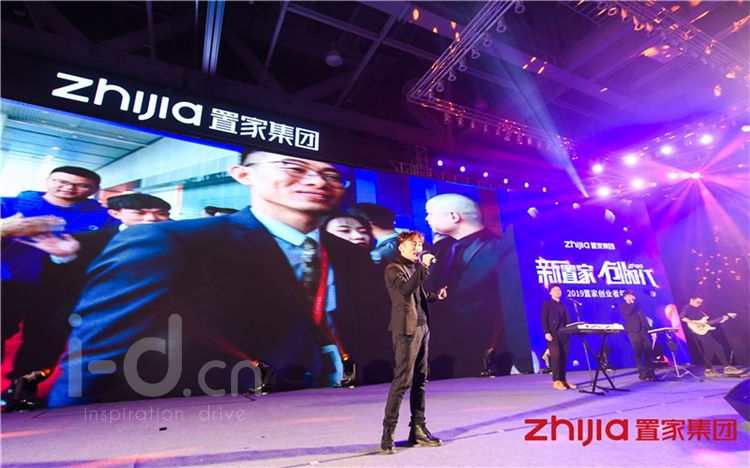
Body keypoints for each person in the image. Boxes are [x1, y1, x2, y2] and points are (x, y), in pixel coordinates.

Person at [48, 150, 383, 406]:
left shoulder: (351, 253)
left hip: (333, 404)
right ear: (242, 173)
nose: (318, 182)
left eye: (331, 175)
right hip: (212, 413)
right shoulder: (170, 241)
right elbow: (96, 357)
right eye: (294, 167)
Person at [1, 166, 117, 382]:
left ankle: (22, 388)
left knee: (43, 342)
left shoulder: (106, 217)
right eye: (61, 181)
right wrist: (4, 228)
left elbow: (112, 252)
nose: (69, 188)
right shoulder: (8, 205)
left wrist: (75, 253)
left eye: (81, 185)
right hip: (7, 282)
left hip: (61, 291)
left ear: (95, 190)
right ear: (48, 180)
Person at [423, 193, 513, 378]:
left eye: (430, 213)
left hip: (483, 344)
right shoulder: (442, 249)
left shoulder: (500, 249)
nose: (426, 219)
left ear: (454, 216)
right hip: (443, 348)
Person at [380, 231, 447, 454]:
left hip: (422, 327)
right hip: (406, 331)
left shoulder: (414, 268)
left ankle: (418, 429)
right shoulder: (394, 269)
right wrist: (424, 266)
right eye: (413, 245)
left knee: (420, 380)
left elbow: (417, 295)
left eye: (419, 244)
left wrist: (436, 296)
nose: (418, 248)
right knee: (402, 381)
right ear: (401, 247)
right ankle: (388, 434)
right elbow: (405, 290)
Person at [680, 295, 740, 377]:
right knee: (718, 347)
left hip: (704, 329)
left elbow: (707, 322)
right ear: (691, 300)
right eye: (698, 302)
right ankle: (727, 368)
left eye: (701, 303)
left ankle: (708, 370)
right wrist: (696, 323)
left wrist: (722, 319)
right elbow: (682, 318)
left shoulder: (699, 309)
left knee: (709, 350)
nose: (699, 304)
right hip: (697, 330)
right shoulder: (687, 307)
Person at [542, 284, 576, 391]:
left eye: (559, 290)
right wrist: (547, 332)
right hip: (553, 334)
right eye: (555, 290)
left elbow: (567, 320)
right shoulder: (547, 304)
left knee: (564, 357)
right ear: (550, 292)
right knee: (555, 357)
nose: (557, 292)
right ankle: (556, 380)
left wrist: (570, 330)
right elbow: (544, 319)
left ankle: (563, 379)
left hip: (563, 334)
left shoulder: (563, 305)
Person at [618, 291, 656, 381]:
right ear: (625, 297)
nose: (632, 297)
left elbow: (644, 319)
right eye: (629, 296)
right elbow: (628, 312)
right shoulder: (623, 306)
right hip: (633, 332)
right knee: (638, 352)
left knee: (648, 351)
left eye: (632, 295)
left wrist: (651, 330)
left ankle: (650, 372)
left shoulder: (637, 306)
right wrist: (631, 303)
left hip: (643, 331)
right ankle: (642, 373)